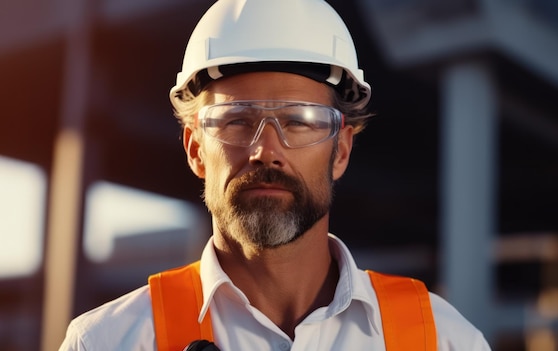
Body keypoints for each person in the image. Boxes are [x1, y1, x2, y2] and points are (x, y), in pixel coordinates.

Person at [60, 0, 492, 350]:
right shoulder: (106, 342)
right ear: (196, 150)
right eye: (235, 121)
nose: (266, 150)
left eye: (300, 121)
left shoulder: (445, 340)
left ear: (340, 151)